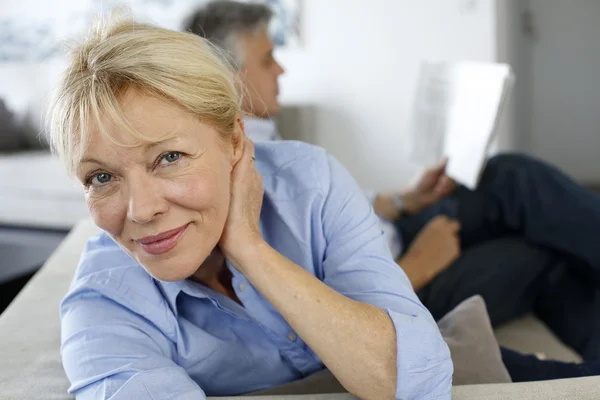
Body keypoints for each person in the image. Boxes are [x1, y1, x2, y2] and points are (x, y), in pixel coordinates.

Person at [186, 0, 600, 376]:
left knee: (509, 175)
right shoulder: (229, 167)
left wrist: (401, 200)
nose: (282, 69)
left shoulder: (264, 135)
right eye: (268, 59)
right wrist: (419, 264)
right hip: (393, 280)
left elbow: (322, 208)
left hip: (390, 231)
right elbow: (305, 302)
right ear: (230, 77)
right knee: (544, 257)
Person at [50, 14, 454, 400]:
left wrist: (249, 249)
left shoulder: (311, 181)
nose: (141, 210)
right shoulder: (104, 306)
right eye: (100, 178)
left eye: (169, 157)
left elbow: (418, 380)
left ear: (235, 144)